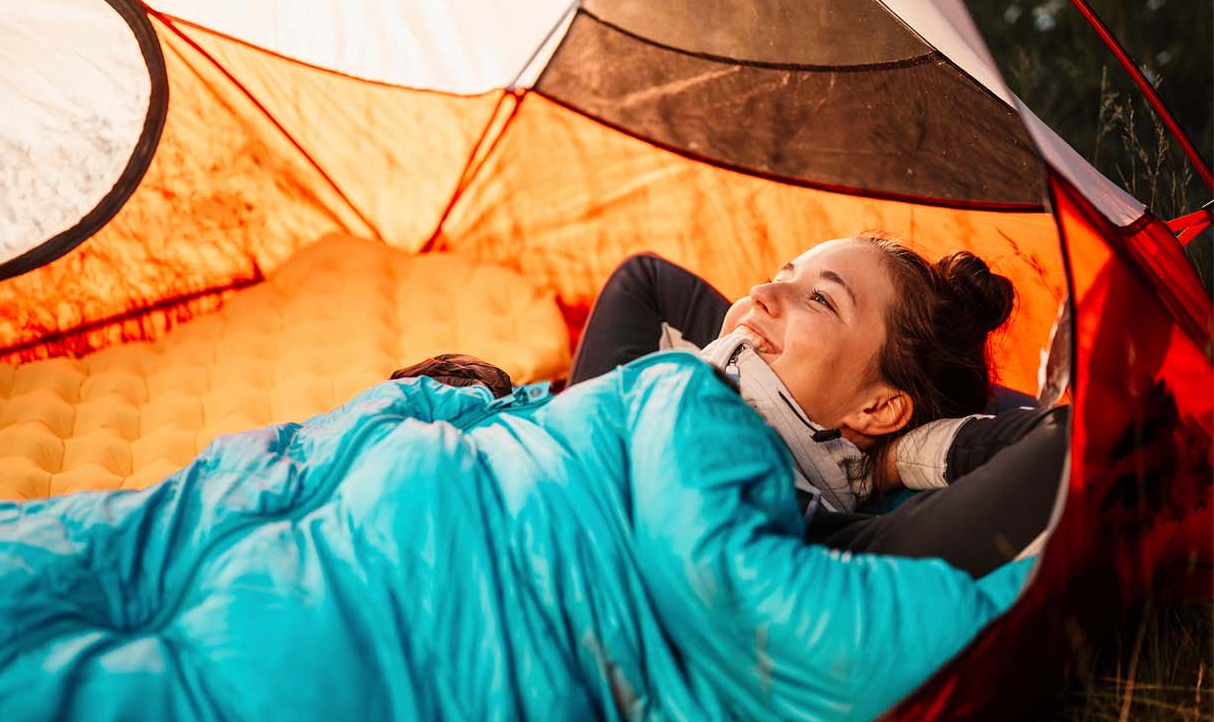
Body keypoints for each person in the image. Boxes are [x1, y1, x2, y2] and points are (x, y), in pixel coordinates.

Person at [399, 235, 1068, 577]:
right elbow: (645, 280)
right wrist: (732, 354)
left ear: (878, 409)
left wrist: (894, 463)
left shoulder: (801, 528)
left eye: (821, 300)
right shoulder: (645, 397)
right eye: (782, 276)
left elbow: (1062, 442)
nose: (757, 294)